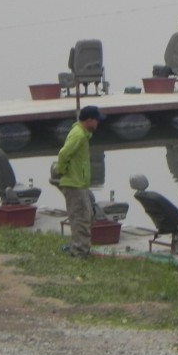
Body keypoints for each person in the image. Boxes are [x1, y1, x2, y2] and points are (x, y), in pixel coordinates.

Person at [55, 105, 104, 258]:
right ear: (89, 120)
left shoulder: (82, 134)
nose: (98, 123)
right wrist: (61, 171)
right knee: (81, 218)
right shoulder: (78, 135)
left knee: (87, 215)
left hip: (80, 184)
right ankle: (79, 252)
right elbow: (63, 154)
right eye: (96, 120)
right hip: (74, 184)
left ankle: (79, 246)